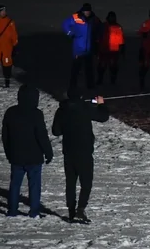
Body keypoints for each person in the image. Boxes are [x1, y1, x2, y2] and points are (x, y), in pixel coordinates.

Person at [52, 89, 109, 222]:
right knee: (86, 182)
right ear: (81, 96)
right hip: (84, 152)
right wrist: (101, 104)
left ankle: (71, 211)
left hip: (69, 151)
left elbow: (56, 131)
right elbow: (103, 117)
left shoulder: (62, 110)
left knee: (70, 183)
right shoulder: (85, 108)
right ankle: (80, 209)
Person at [2, 84, 54, 218]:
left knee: (14, 185)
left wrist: (9, 152)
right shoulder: (36, 114)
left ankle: (12, 210)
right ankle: (34, 211)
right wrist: (48, 152)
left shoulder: (11, 112)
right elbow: (41, 135)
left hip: (16, 155)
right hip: (34, 156)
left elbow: (5, 136)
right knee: (34, 185)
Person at [62, 3, 102, 91]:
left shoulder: (94, 19)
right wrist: (71, 34)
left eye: (88, 11)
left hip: (89, 49)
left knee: (89, 68)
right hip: (78, 48)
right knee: (76, 68)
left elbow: (100, 28)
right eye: (85, 11)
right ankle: (73, 85)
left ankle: (90, 85)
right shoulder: (76, 17)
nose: (87, 13)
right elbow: (65, 24)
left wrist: (97, 39)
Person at [97, 11, 125, 86]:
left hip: (113, 50)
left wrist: (122, 48)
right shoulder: (104, 26)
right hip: (105, 49)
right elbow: (98, 37)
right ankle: (101, 80)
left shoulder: (116, 27)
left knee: (112, 66)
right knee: (103, 66)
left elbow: (121, 39)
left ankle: (111, 80)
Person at [0, 4, 18, 88]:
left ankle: (7, 82)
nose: (4, 12)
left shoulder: (10, 22)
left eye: (4, 11)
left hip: (7, 48)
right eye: (2, 11)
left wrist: (15, 46)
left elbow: (14, 35)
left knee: (7, 64)